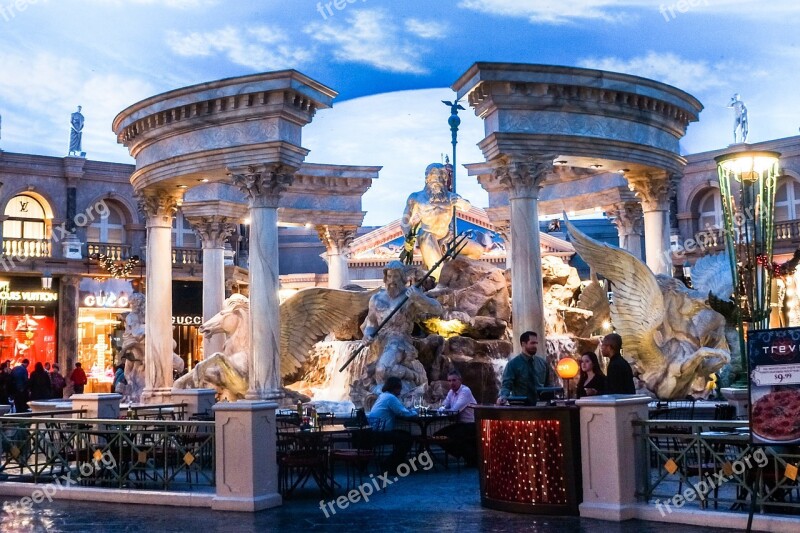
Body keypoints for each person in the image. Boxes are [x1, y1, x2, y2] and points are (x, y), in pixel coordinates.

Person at [400, 163, 485, 280]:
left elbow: (467, 206)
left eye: (441, 177)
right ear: (427, 178)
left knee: (477, 250)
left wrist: (461, 202)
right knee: (438, 272)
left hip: (448, 237)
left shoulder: (450, 197)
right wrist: (408, 237)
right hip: (428, 236)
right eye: (434, 176)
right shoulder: (416, 197)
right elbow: (405, 221)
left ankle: (458, 272)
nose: (437, 180)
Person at [367, 376, 416, 472]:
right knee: (407, 439)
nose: (401, 391)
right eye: (400, 388)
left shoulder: (383, 396)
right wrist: (415, 412)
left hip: (374, 430)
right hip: (381, 432)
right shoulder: (390, 397)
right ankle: (389, 464)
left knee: (404, 436)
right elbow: (403, 413)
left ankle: (397, 463)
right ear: (396, 388)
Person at [434, 369, 478, 465]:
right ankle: (467, 456)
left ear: (460, 380)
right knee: (437, 435)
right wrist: (442, 408)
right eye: (449, 381)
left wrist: (442, 410)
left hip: (471, 424)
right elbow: (444, 405)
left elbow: (454, 411)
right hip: (461, 424)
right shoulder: (451, 392)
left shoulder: (465, 391)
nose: (451, 383)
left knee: (452, 436)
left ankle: (471, 458)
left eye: (454, 380)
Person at [497, 331, 553, 405]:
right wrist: (503, 397)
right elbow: (506, 386)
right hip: (520, 407)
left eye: (536, 343)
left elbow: (548, 385)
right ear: (523, 344)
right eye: (532, 343)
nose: (535, 346)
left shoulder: (543, 363)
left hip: (541, 407)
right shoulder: (512, 364)